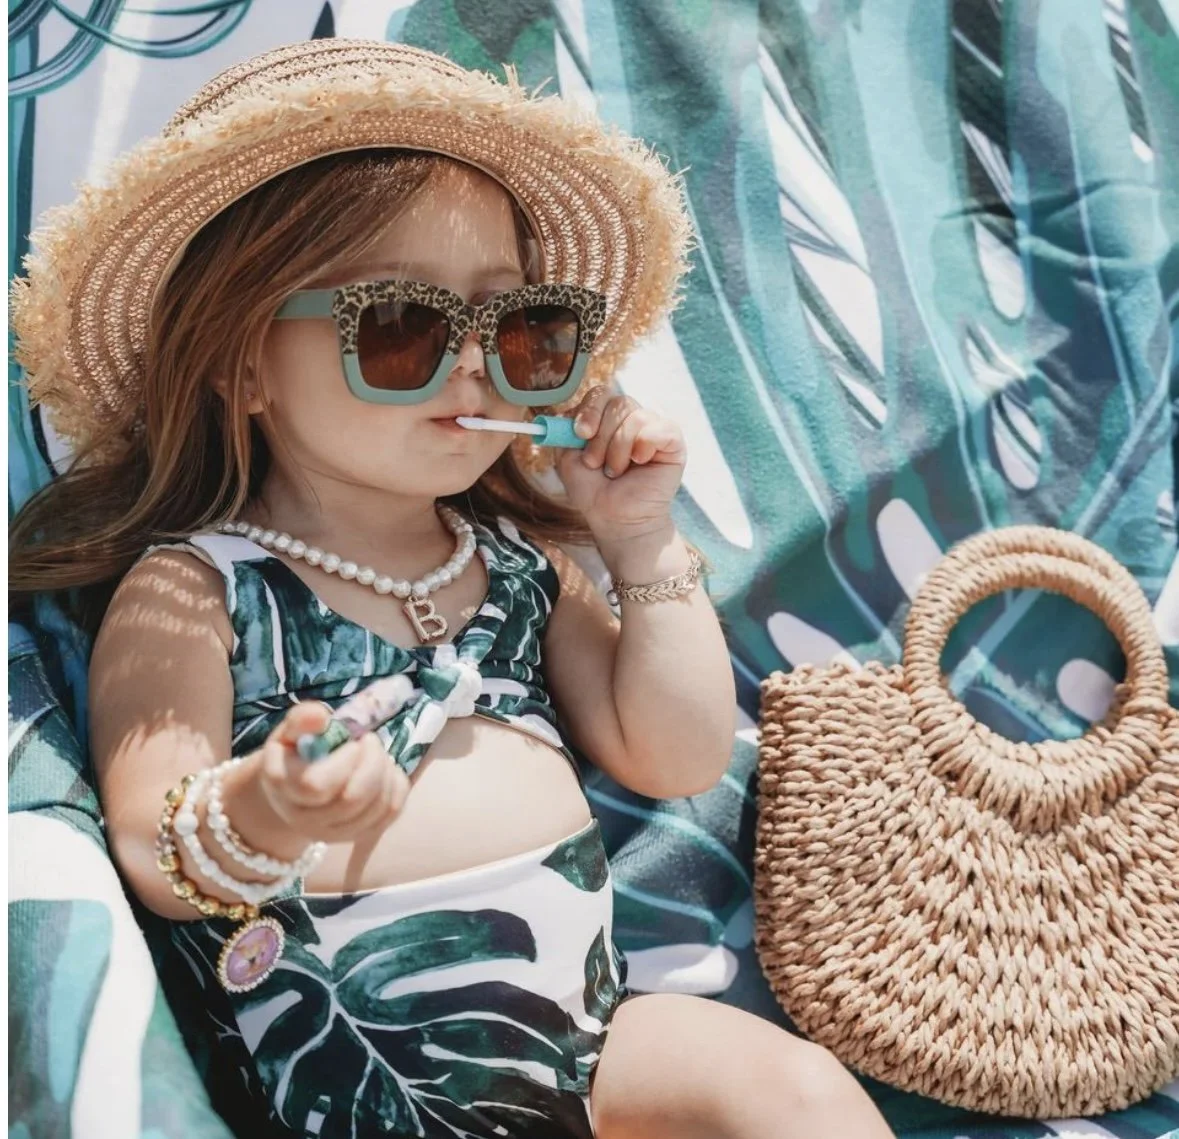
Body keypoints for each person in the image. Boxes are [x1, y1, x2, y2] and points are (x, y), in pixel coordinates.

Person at [9, 38, 896, 1139]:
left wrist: (639, 542)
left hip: (586, 1046)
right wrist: (264, 807)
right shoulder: (197, 587)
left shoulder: (517, 566)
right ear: (239, 365)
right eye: (401, 327)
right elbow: (154, 848)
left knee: (792, 1088)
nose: (474, 361)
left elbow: (674, 754)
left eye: (518, 327)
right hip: (360, 1081)